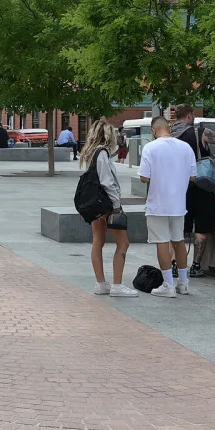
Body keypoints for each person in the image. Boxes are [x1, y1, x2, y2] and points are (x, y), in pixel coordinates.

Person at [139, 114, 196, 298]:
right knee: (178, 241)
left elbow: (144, 177)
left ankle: (168, 285)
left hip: (158, 203)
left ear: (154, 130)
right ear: (169, 128)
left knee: (162, 242)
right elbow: (193, 176)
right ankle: (184, 282)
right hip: (179, 203)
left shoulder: (150, 148)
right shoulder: (186, 148)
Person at [81, 119, 136, 297]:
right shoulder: (102, 154)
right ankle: (117, 285)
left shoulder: (89, 153)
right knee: (123, 243)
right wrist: (116, 206)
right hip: (106, 205)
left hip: (94, 204)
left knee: (98, 241)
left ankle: (101, 283)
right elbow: (107, 182)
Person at [170, 105, 215, 280]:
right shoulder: (199, 132)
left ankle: (174, 265)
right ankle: (196, 266)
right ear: (190, 115)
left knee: (179, 229)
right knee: (202, 227)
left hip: (180, 188)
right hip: (202, 185)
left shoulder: (169, 135)